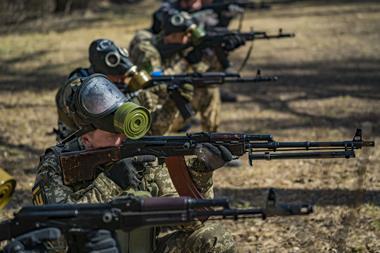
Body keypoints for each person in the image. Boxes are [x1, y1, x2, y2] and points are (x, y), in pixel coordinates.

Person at [33, 74, 236, 252]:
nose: (124, 140)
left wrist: (202, 172)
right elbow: (56, 242)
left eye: (125, 133)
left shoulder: (138, 156)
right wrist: (110, 183)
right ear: (86, 138)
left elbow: (192, 223)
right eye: (114, 134)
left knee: (214, 238)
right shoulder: (56, 164)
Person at [55, 38, 193, 140]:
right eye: (118, 77)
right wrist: (134, 101)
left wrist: (169, 102)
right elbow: (97, 120)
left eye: (124, 77)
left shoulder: (118, 86)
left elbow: (152, 130)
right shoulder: (76, 88)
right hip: (81, 145)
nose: (123, 81)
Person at [130, 9, 243, 132]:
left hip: (176, 110)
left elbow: (209, 74)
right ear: (172, 35)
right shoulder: (147, 49)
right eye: (186, 35)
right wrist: (187, 62)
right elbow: (157, 80)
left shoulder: (185, 48)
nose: (189, 38)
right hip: (151, 113)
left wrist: (220, 52)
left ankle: (211, 138)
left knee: (210, 89)